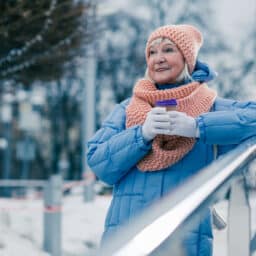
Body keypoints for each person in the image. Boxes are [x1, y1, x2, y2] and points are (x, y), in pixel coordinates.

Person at [87, 24, 256, 255]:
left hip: (184, 238)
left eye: (168, 50)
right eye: (152, 52)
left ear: (187, 58)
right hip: (127, 236)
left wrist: (198, 126)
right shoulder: (128, 108)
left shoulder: (211, 106)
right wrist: (141, 134)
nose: (158, 59)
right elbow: (98, 163)